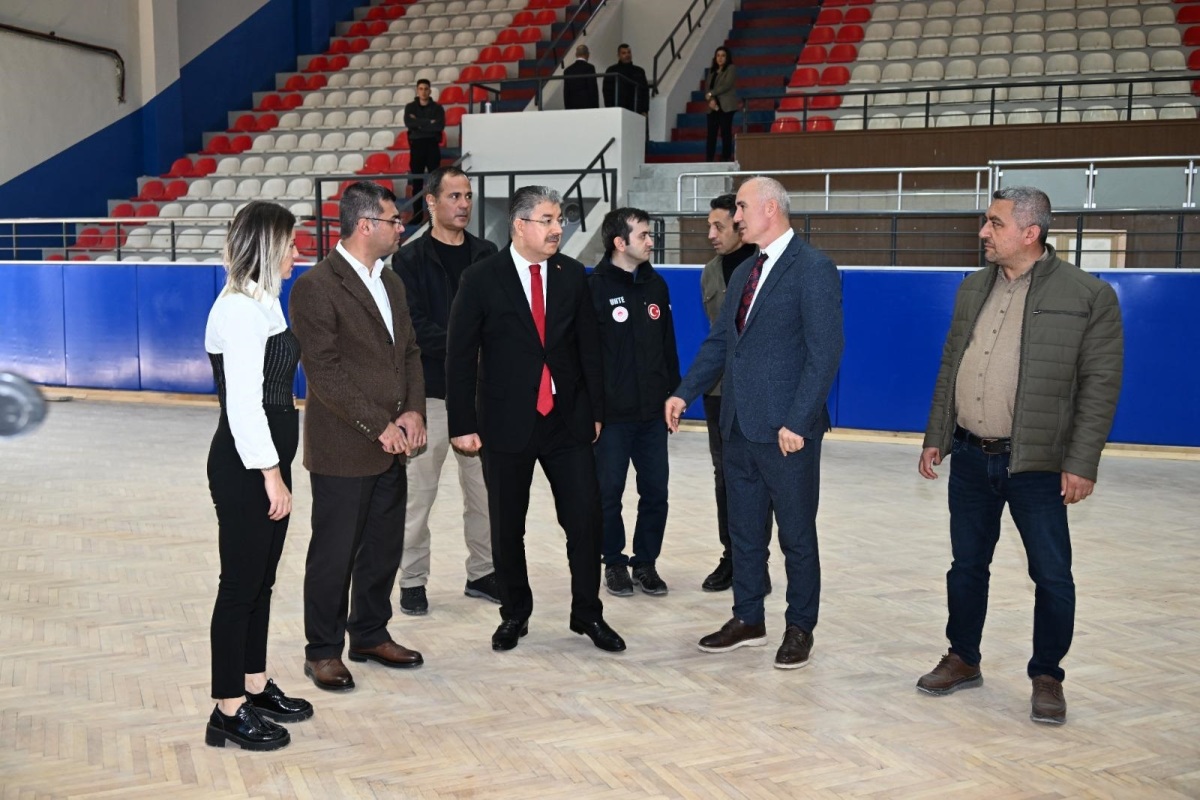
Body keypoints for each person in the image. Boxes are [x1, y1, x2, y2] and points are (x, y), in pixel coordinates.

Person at [915, 186, 1124, 725]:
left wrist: (1082, 461)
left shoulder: (1087, 294)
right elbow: (949, 364)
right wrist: (936, 431)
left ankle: (1047, 674)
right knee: (966, 566)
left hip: (1036, 463)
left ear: (1030, 233)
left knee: (1052, 575)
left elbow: (1100, 385)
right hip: (967, 454)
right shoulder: (971, 288)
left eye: (994, 223)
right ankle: (963, 657)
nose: (983, 232)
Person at [665, 176, 843, 670]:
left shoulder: (813, 269)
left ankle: (799, 627)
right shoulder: (745, 271)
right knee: (744, 532)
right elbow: (722, 343)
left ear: (769, 208)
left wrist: (799, 420)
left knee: (796, 536)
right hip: (739, 426)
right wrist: (684, 392)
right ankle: (748, 618)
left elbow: (825, 354)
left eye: (741, 208)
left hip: (787, 432)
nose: (735, 216)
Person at [446, 185, 626, 654]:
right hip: (506, 424)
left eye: (559, 220)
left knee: (585, 518)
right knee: (507, 524)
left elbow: (590, 349)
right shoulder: (481, 278)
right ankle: (514, 613)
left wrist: (597, 414)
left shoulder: (572, 274)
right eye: (547, 219)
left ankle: (587, 612)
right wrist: (462, 423)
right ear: (520, 224)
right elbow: (460, 356)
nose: (557, 228)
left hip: (567, 422)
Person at [289, 181, 428, 692]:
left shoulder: (392, 283)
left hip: (395, 444)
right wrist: (380, 426)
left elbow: (409, 352)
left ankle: (369, 632)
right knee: (334, 553)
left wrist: (413, 411)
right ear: (366, 224)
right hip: (345, 447)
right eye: (394, 221)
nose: (401, 229)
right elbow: (324, 374)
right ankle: (322, 651)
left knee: (382, 548)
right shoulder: (317, 287)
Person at [204, 201, 311, 751]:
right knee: (240, 587)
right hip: (247, 468)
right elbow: (245, 405)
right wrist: (271, 473)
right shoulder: (241, 310)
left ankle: (252, 683)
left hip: (268, 462)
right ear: (269, 246)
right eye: (291, 243)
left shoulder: (263, 301)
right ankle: (227, 710)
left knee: (262, 583)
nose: (298, 251)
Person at [393, 166, 500, 616]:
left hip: (479, 398)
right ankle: (413, 578)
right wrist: (468, 348)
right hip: (431, 397)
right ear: (432, 203)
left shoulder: (489, 254)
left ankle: (484, 573)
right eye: (454, 196)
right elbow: (414, 329)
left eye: (468, 195)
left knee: (486, 495)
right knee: (418, 497)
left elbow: (500, 318)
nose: (464, 204)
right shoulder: (409, 261)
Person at [588, 207, 680, 598]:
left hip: (652, 415)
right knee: (608, 493)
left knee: (655, 491)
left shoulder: (656, 285)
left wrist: (675, 394)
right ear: (619, 242)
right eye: (643, 235)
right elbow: (585, 358)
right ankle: (614, 562)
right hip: (611, 417)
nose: (650, 241)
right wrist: (592, 412)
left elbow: (667, 347)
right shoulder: (593, 288)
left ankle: (646, 562)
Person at [698, 193, 771, 594]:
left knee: (761, 476)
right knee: (724, 476)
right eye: (709, 226)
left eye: (719, 226)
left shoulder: (766, 268)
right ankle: (732, 557)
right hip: (719, 392)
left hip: (759, 392)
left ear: (740, 226)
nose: (711, 234)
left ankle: (755, 562)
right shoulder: (709, 273)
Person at [404, 79, 445, 223]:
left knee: (434, 182)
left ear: (430, 90)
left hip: (432, 146)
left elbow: (439, 126)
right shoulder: (410, 107)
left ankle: (435, 215)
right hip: (416, 147)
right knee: (417, 182)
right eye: (420, 89)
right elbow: (409, 123)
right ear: (417, 90)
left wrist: (419, 124)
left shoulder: (437, 108)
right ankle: (417, 215)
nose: (423, 91)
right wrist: (429, 122)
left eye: (426, 89)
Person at [704, 47, 738, 162]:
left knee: (725, 132)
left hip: (726, 105)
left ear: (727, 57)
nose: (720, 58)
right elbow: (707, 88)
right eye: (718, 55)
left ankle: (726, 157)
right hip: (712, 106)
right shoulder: (712, 71)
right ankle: (709, 159)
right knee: (711, 134)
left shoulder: (731, 68)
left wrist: (711, 93)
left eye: (723, 55)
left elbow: (726, 85)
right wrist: (711, 100)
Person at [603, 43, 650, 114]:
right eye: (624, 53)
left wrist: (645, 110)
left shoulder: (639, 71)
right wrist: (610, 109)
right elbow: (607, 92)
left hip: (636, 110)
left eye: (629, 52)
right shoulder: (612, 70)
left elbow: (645, 91)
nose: (627, 55)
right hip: (618, 110)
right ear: (618, 55)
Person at [563, 44, 600, 110]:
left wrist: (567, 108)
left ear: (576, 55)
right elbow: (592, 89)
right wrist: (596, 107)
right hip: (587, 106)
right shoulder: (590, 68)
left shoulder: (567, 70)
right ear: (588, 54)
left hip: (572, 106)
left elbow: (566, 92)